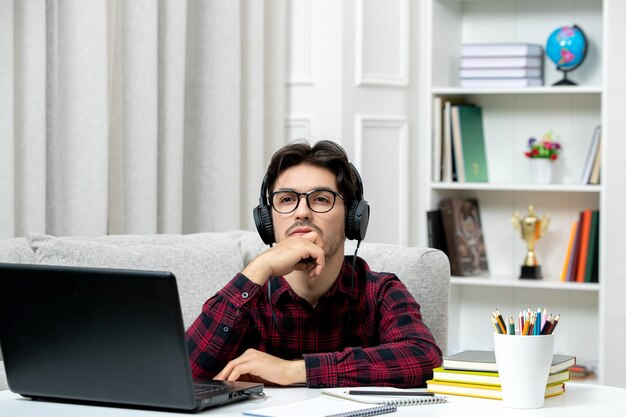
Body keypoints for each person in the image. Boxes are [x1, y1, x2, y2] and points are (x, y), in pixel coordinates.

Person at [185, 140, 442, 388]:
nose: (302, 212)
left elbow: (424, 358)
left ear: (353, 218)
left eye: (321, 198)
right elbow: (185, 371)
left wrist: (293, 370)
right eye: (286, 199)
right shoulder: (248, 296)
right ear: (267, 221)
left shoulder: (380, 291)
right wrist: (259, 267)